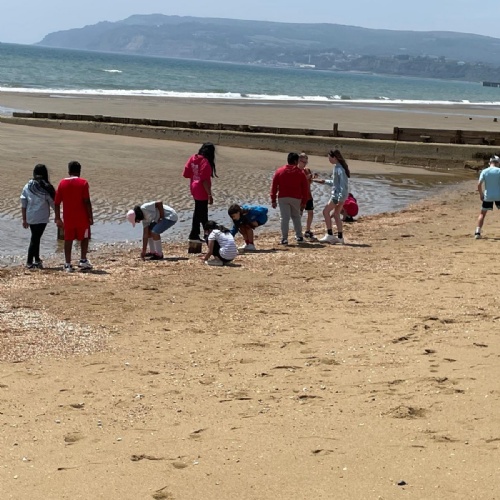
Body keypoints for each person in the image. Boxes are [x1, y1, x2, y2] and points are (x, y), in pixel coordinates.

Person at [54, 161, 93, 272]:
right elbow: (87, 201)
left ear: (69, 171)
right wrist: (90, 217)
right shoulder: (83, 183)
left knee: (68, 239)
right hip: (82, 217)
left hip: (68, 218)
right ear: (79, 171)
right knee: (84, 238)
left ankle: (67, 264)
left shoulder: (62, 183)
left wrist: (58, 218)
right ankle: (83, 260)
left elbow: (56, 203)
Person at [20, 164, 56, 269]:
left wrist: (24, 219)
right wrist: (58, 215)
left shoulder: (28, 185)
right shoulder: (46, 187)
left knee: (36, 237)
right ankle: (29, 262)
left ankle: (37, 259)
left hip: (30, 216)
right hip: (42, 217)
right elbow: (52, 203)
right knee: (35, 238)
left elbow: (23, 203)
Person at [270, 152, 309, 245]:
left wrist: (273, 200)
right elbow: (305, 188)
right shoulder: (300, 173)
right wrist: (304, 202)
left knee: (284, 218)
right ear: (296, 161)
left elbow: (274, 186)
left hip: (283, 197)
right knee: (296, 216)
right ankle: (299, 236)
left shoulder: (279, 171)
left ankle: (284, 238)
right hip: (296, 198)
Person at [313, 149, 350, 244]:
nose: (328, 159)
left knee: (325, 212)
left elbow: (343, 185)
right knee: (336, 215)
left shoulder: (339, 169)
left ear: (335, 157)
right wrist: (323, 181)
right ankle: (340, 237)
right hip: (340, 196)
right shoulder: (338, 167)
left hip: (337, 196)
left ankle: (330, 234)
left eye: (329, 157)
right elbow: (335, 183)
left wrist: (339, 199)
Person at [183, 142, 217, 242]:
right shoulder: (205, 162)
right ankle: (196, 234)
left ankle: (205, 234)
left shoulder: (193, 158)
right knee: (200, 213)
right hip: (201, 190)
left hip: (194, 187)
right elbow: (204, 180)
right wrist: (209, 194)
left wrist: (195, 175)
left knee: (200, 212)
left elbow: (186, 173)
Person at [474, 155, 500, 239]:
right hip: (499, 195)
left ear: (489, 163)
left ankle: (477, 232)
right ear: (498, 163)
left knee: (482, 214)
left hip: (488, 195)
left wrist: (481, 194)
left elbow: (479, 184)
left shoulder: (485, 171)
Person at [297, 152, 316, 239]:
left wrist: (312, 178)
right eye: (303, 162)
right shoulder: (296, 170)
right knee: (299, 214)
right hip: (300, 196)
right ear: (298, 161)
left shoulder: (307, 170)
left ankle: (307, 230)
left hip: (308, 195)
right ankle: (298, 231)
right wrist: (305, 178)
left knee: (310, 212)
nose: (305, 164)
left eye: (306, 162)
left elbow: (310, 182)